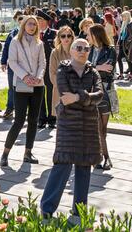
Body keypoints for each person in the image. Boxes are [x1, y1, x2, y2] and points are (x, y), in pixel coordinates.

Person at [39, 38, 103, 224]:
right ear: (72, 51)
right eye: (79, 48)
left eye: (86, 48)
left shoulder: (93, 71)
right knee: (62, 164)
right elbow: (65, 96)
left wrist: (78, 97)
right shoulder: (63, 69)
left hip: (89, 124)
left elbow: (99, 95)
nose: (83, 51)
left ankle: (79, 210)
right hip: (69, 123)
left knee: (84, 166)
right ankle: (47, 208)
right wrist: (86, 98)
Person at [1, 15, 46, 167]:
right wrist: (25, 76)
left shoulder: (39, 43)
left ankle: (28, 152)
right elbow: (12, 62)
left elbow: (42, 62)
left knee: (33, 120)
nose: (32, 26)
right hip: (21, 83)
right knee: (19, 121)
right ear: (24, 25)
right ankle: (5, 153)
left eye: (34, 24)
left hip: (37, 85)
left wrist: (39, 77)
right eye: (29, 24)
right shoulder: (15, 41)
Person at [88, 24, 116, 171]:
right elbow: (84, 67)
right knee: (98, 127)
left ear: (96, 35)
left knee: (103, 128)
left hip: (106, 90)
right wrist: (97, 67)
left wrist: (92, 67)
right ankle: (104, 157)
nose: (87, 37)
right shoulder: (88, 49)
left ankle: (101, 155)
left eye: (89, 34)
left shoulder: (110, 50)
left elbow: (109, 68)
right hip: (92, 91)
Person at [0, 15, 24, 120]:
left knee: (23, 88)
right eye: (21, 22)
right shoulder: (12, 34)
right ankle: (10, 108)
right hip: (12, 66)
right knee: (11, 87)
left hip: (24, 66)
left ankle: (22, 110)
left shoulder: (30, 35)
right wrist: (3, 62)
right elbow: (6, 48)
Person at [36, 10, 58, 129]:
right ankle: (41, 118)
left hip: (50, 67)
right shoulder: (33, 34)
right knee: (39, 93)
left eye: (40, 20)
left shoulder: (54, 34)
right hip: (37, 68)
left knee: (51, 93)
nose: (38, 23)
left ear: (46, 22)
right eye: (37, 20)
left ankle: (52, 118)